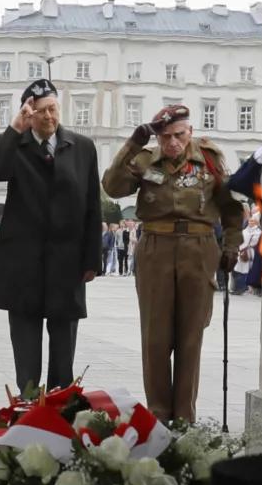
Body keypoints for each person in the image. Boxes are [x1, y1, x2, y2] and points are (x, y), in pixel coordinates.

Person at [102, 104, 244, 423]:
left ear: (190, 131)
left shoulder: (209, 160)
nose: (172, 142)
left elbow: (231, 209)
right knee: (155, 338)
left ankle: (184, 418)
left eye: (179, 135)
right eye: (165, 137)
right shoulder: (145, 159)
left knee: (190, 338)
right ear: (157, 137)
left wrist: (232, 245)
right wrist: (132, 144)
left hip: (199, 249)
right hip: (156, 249)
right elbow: (112, 187)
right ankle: (158, 416)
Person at [0, 78, 100, 394]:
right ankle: (29, 402)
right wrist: (15, 128)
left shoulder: (82, 147)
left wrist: (92, 259)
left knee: (63, 347)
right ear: (29, 114)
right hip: (24, 264)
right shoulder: (12, 144)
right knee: (26, 345)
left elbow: (92, 205)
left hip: (67, 263)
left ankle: (60, 402)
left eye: (53, 108)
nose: (49, 116)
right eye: (41, 111)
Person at [233, 216, 262, 294]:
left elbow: (255, 242)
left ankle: (241, 288)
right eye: (250, 221)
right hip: (241, 251)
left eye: (252, 221)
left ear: (256, 222)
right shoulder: (245, 230)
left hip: (249, 252)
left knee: (245, 270)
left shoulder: (258, 232)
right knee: (239, 270)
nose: (250, 222)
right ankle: (240, 288)